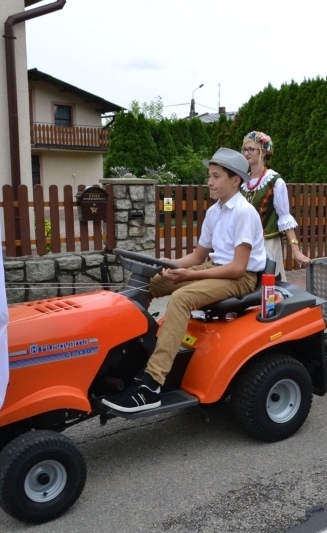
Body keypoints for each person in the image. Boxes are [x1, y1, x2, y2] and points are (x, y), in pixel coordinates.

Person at [102, 148, 267, 413]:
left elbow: (237, 268)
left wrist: (190, 276)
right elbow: (198, 256)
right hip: (214, 267)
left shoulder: (244, 213)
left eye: (215, 176)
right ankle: (133, 355)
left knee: (181, 298)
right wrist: (163, 266)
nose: (209, 182)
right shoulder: (215, 212)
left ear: (235, 180)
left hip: (240, 277)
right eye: (209, 176)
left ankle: (152, 384)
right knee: (150, 283)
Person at [241, 131, 310, 281]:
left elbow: (285, 218)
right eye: (244, 150)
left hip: (268, 245)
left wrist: (296, 251)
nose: (246, 153)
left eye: (251, 149)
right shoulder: (241, 181)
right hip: (245, 245)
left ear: (263, 152)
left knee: (268, 288)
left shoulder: (275, 181)